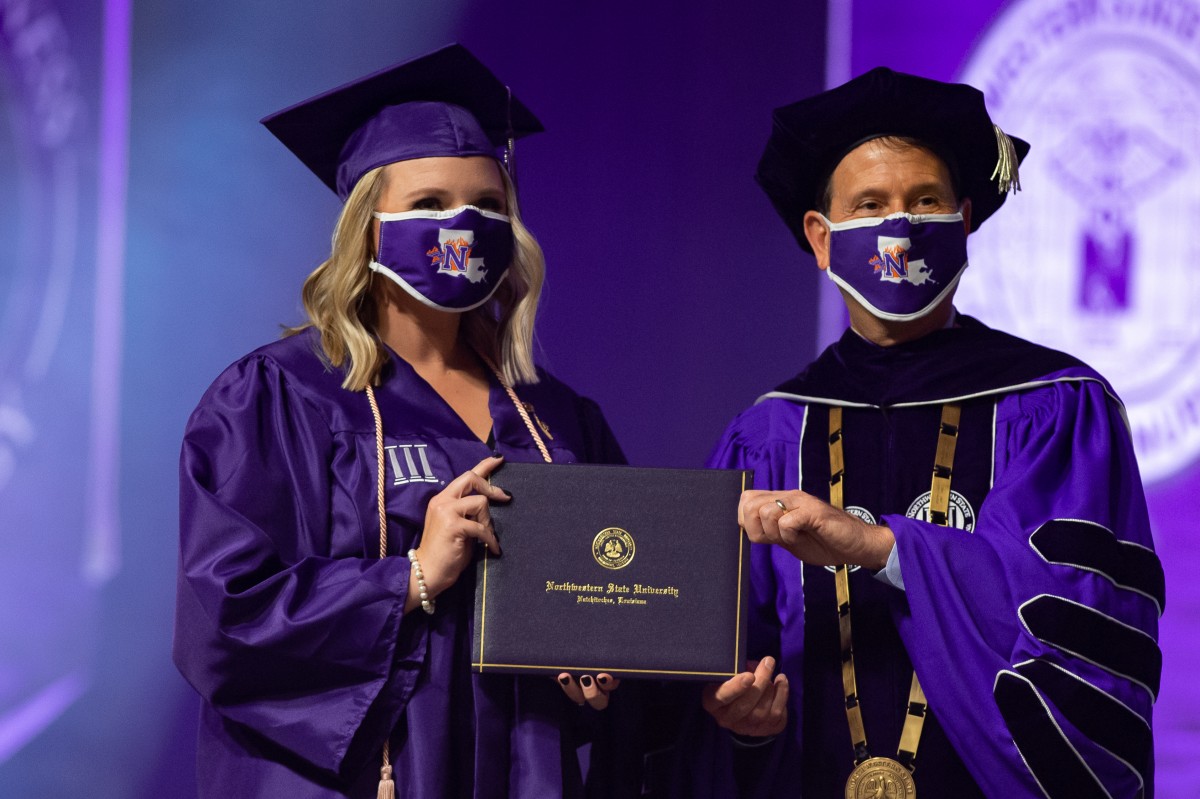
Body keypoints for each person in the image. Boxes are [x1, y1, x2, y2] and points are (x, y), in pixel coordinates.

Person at [172, 45, 632, 798]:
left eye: (487, 206)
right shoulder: (279, 397)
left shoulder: (556, 418)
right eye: (428, 206)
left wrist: (598, 674)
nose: (462, 226)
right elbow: (223, 615)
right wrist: (410, 577)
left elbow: (611, 602)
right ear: (368, 228)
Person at [689, 68, 1163, 798]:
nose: (900, 226)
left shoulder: (1057, 409)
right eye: (870, 204)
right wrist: (742, 719)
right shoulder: (771, 431)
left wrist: (883, 549)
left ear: (965, 221)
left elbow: (1081, 627)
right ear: (821, 238)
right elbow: (727, 656)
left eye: (926, 201)